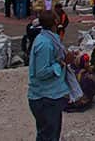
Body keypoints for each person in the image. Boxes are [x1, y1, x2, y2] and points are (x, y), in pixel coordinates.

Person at [28, 10, 69, 141]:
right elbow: (41, 72)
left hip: (50, 95)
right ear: (55, 23)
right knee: (48, 135)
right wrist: (62, 64)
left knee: (49, 133)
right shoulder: (45, 43)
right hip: (45, 97)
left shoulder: (48, 39)